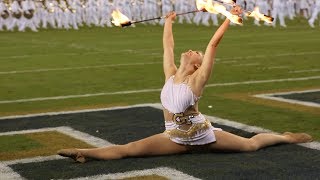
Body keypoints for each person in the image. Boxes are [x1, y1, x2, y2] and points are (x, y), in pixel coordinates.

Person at [57, 6, 313, 163]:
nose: (192, 50)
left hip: (202, 135)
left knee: (250, 145)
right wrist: (168, 22)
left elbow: (213, 45)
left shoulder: (196, 81)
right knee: (129, 150)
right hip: (174, 137)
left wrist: (228, 17)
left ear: (197, 64)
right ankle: (83, 153)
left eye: (196, 53)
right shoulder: (171, 74)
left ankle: (285, 138)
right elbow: (168, 46)